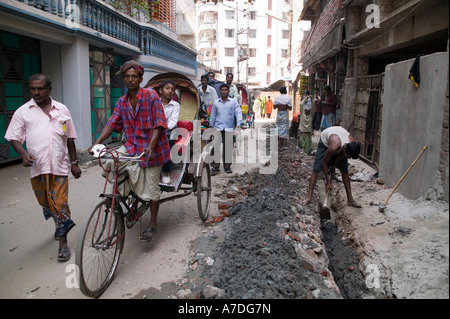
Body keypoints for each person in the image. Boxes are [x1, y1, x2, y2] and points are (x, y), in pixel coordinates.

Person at [89, 60, 170, 242]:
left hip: (153, 148)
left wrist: (151, 145)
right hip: (132, 145)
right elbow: (111, 123)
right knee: (112, 161)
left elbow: (159, 123)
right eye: (127, 77)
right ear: (123, 79)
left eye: (134, 76)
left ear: (141, 79)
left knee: (152, 187)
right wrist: (97, 143)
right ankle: (128, 194)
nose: (130, 80)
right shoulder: (122, 101)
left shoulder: (150, 96)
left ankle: (153, 223)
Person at [4, 73, 82, 262]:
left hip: (59, 166)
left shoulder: (62, 109)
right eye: (32, 89)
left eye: (40, 88)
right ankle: (57, 220)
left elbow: (70, 137)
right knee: (45, 201)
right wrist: (23, 154)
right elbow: (14, 137)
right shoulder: (23, 112)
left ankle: (63, 242)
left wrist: (74, 163)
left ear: (50, 89)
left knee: (60, 203)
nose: (36, 92)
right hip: (37, 168)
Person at [302, 126, 362, 208]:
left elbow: (340, 156)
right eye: (348, 156)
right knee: (316, 169)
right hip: (326, 141)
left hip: (339, 137)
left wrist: (333, 166)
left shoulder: (352, 144)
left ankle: (350, 200)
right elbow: (324, 162)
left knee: (345, 172)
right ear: (344, 149)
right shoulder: (334, 147)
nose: (349, 158)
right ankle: (309, 197)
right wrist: (328, 182)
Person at [209, 84, 242, 174]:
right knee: (215, 148)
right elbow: (213, 115)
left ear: (228, 91)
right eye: (222, 90)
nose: (224, 91)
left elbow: (238, 112)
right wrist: (211, 126)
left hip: (228, 128)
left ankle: (227, 167)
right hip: (217, 128)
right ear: (220, 91)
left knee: (227, 148)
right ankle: (215, 167)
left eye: (225, 90)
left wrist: (238, 124)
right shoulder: (216, 103)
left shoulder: (233, 102)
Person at [159, 79, 180, 184]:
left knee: (165, 144)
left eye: (172, 89)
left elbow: (172, 122)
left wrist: (161, 130)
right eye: (167, 88)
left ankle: (165, 171)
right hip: (155, 130)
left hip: (169, 131)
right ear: (161, 90)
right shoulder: (155, 103)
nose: (170, 91)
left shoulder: (175, 105)